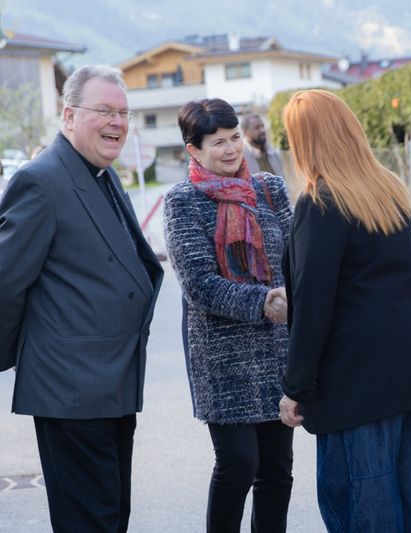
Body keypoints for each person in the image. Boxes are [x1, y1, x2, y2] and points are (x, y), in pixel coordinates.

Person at [0, 65, 164, 533]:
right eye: (104, 110)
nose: (117, 122)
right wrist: (28, 357)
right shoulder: (41, 180)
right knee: (91, 521)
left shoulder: (103, 174)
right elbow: (4, 285)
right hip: (70, 388)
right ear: (68, 115)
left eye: (123, 112)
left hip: (111, 383)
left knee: (112, 514)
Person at [278, 89, 411, 532]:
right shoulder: (388, 189)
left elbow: (313, 305)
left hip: (359, 379)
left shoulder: (321, 201)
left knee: (366, 505)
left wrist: (295, 387)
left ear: (304, 140)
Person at [163, 98, 294, 533]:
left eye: (234, 137)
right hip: (222, 359)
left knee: (276, 469)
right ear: (194, 150)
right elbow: (198, 283)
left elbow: (296, 258)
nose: (231, 148)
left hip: (277, 350)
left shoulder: (270, 189)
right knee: (239, 463)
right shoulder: (182, 201)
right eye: (217, 142)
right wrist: (262, 302)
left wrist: (292, 299)